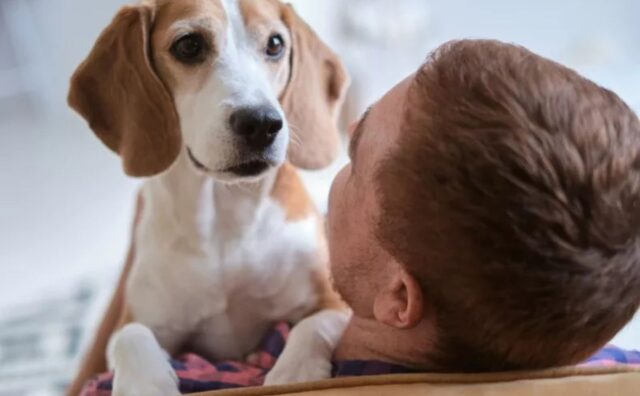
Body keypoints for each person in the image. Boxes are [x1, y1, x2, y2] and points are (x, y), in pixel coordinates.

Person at [81, 39, 640, 395]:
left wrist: (138, 258)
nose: (344, 132)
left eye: (359, 153)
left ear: (399, 298)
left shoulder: (223, 381)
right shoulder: (615, 364)